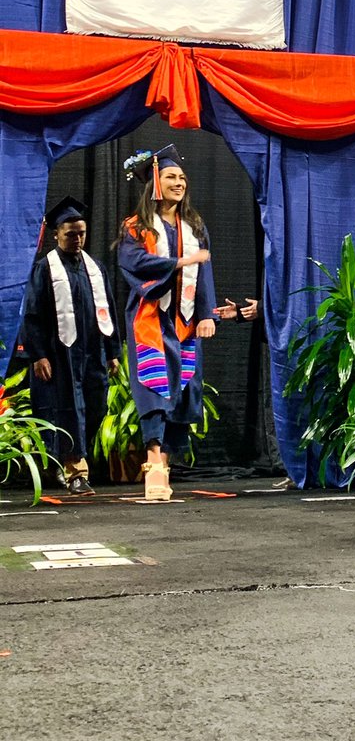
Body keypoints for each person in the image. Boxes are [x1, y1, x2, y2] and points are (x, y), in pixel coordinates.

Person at [117, 145, 217, 501]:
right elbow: (135, 264)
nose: (179, 183)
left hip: (185, 320)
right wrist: (178, 263)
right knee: (154, 384)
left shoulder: (195, 226)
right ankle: (153, 462)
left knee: (184, 387)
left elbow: (204, 271)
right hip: (150, 318)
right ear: (155, 183)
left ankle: (167, 462)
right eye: (172, 177)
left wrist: (206, 313)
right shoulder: (136, 226)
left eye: (182, 178)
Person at [20, 197, 120, 495]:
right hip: (60, 352)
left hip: (92, 351)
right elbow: (33, 315)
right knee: (69, 409)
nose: (78, 239)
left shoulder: (95, 268)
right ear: (56, 235)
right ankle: (76, 471)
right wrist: (38, 355)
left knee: (95, 407)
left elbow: (108, 310)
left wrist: (113, 351)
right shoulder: (45, 269)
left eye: (82, 233)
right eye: (71, 234)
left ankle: (62, 464)